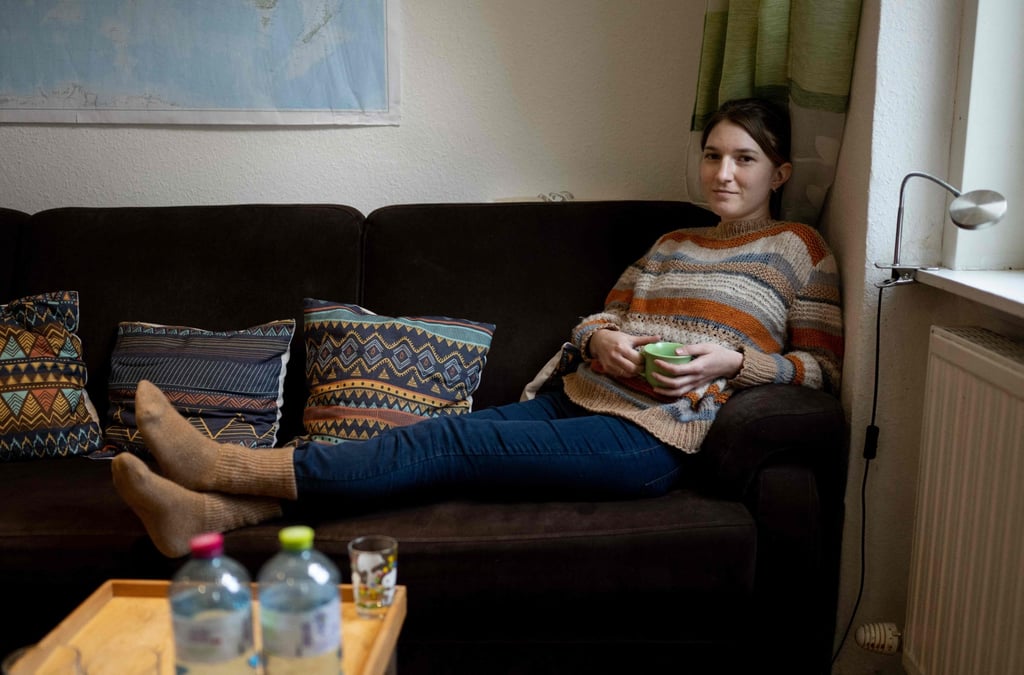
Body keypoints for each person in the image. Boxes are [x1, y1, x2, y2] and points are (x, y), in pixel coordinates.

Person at [112, 98, 844, 558]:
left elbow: (820, 371)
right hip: (582, 398)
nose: (723, 173)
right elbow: (600, 317)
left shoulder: (801, 250)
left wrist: (731, 362)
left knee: (445, 442)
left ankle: (224, 466)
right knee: (438, 447)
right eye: (713, 155)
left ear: (778, 173)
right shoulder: (671, 242)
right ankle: (211, 511)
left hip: (654, 438)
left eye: (744, 159)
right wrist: (600, 341)